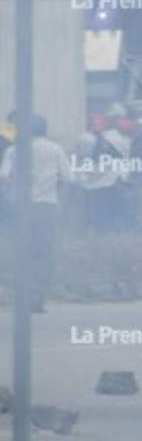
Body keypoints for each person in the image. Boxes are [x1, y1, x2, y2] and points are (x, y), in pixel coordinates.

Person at [0, 114, 73, 312]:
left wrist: (10, 199)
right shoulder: (55, 149)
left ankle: (21, 296)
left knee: (23, 252)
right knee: (43, 254)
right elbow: (67, 178)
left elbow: (4, 178)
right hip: (46, 206)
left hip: (21, 207)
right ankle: (37, 298)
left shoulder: (14, 151)